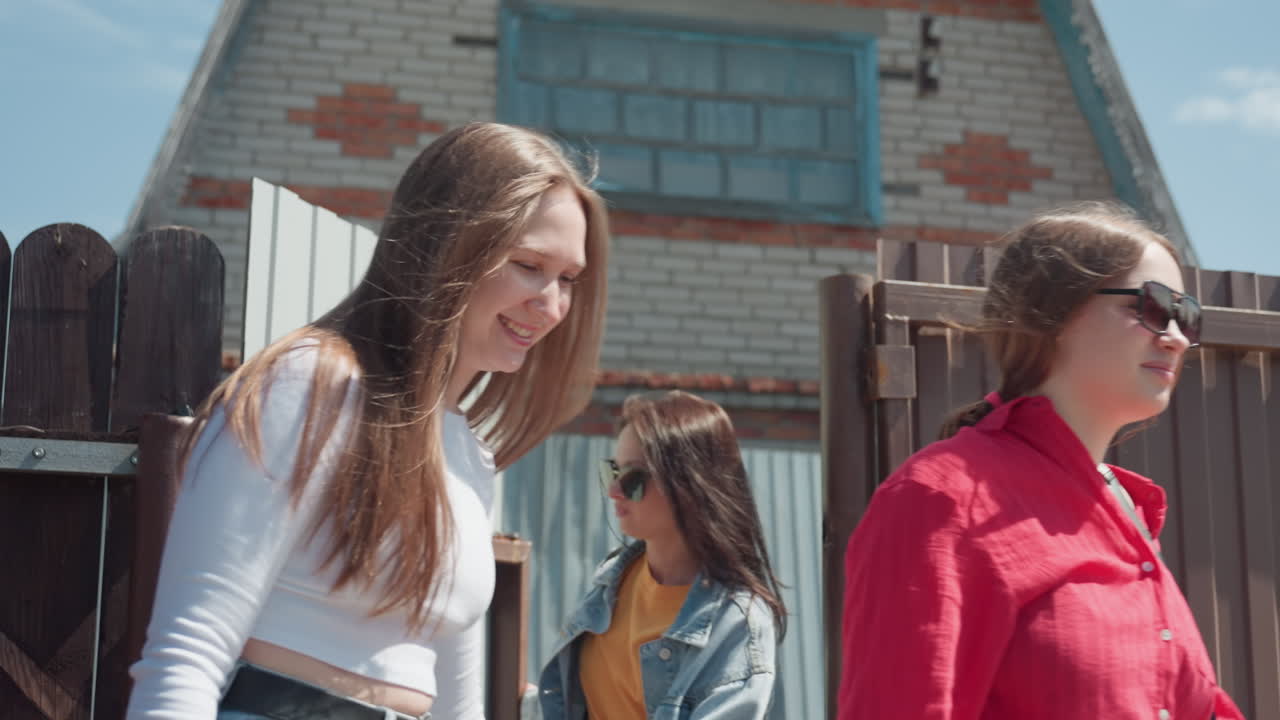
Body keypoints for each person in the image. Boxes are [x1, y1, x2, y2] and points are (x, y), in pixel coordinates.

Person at [127, 122, 610, 720]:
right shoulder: (310, 386)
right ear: (447, 248)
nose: (553, 304)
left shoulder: (468, 454)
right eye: (528, 264)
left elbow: (461, 701)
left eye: (568, 279)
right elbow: (186, 655)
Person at [838, 203, 1245, 720]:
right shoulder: (941, 498)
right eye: (1152, 306)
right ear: (1051, 313)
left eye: (1186, 315)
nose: (1177, 337)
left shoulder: (1124, 512)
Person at [536, 390, 787, 720]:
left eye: (633, 477)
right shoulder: (614, 577)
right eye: (612, 471)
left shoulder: (737, 621)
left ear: (690, 483)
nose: (613, 490)